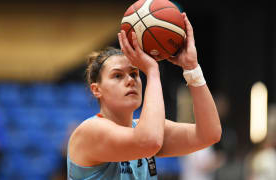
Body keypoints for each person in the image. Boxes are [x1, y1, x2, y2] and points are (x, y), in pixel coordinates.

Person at [67, 13, 222, 180]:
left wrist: (192, 68)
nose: (130, 81)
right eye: (118, 76)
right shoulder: (90, 131)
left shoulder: (144, 129)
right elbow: (149, 141)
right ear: (96, 90)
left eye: (134, 74)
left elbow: (209, 134)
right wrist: (153, 71)